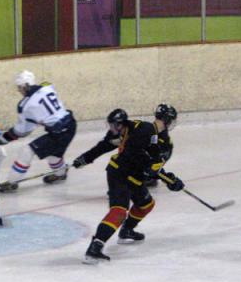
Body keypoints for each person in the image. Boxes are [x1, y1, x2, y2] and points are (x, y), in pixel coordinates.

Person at [74, 105, 184, 265]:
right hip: (120, 174)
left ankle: (126, 231)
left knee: (146, 204)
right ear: (169, 121)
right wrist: (86, 157)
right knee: (119, 211)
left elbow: (153, 167)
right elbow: (116, 146)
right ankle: (95, 248)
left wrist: (168, 179)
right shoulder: (142, 129)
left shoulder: (155, 136)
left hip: (134, 176)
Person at [0, 70, 76, 192]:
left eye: (20, 87)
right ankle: (61, 174)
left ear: (26, 86)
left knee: (27, 150)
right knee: (54, 154)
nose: (19, 90)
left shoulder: (26, 105)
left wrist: (3, 139)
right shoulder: (47, 87)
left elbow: (22, 131)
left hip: (59, 132)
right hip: (70, 125)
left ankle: (12, 182)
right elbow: (45, 85)